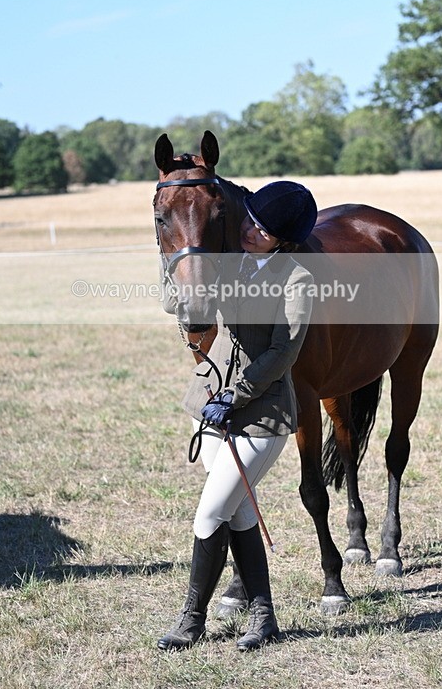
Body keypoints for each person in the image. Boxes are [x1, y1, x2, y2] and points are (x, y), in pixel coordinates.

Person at [157, 180, 318, 652]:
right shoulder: (227, 263)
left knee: (211, 514)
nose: (251, 231)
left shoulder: (297, 280)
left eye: (263, 231)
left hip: (259, 412)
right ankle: (264, 616)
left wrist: (237, 395)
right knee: (239, 511)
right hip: (207, 405)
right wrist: (175, 259)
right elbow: (176, 303)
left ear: (283, 241)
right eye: (250, 220)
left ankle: (192, 620)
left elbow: (283, 351)